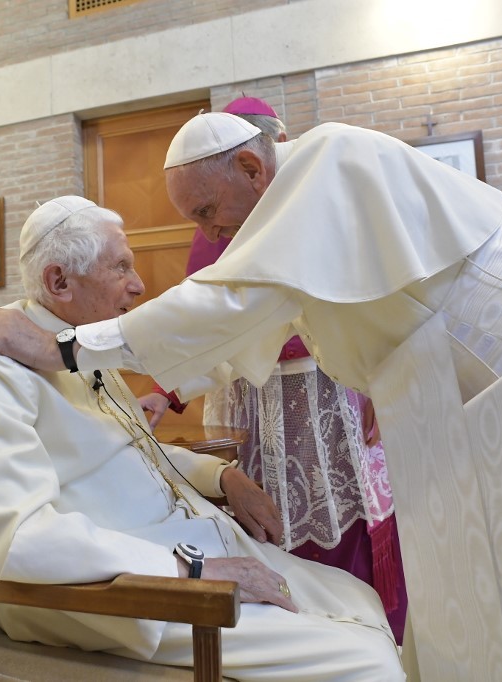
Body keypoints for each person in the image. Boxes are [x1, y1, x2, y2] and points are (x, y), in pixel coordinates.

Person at [0, 115, 502, 682]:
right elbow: (250, 332)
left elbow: (230, 309)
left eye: (207, 210)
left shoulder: (326, 162)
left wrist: (72, 350)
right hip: (150, 575)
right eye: (123, 267)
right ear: (58, 283)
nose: (208, 235)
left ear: (252, 168)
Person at [0, 196, 403, 681]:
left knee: (360, 600)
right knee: (366, 665)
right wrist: (194, 571)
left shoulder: (81, 343)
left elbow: (135, 450)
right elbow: (17, 539)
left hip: (191, 548)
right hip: (124, 592)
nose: (138, 285)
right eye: (121, 267)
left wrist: (222, 478)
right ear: (59, 282)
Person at [138, 96, 407, 642]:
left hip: (325, 385)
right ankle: (298, 633)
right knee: (262, 509)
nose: (210, 230)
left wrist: (385, 376)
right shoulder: (217, 226)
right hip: (249, 391)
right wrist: (166, 389)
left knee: (344, 511)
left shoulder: (319, 196)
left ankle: (365, 633)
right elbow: (207, 322)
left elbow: (375, 294)